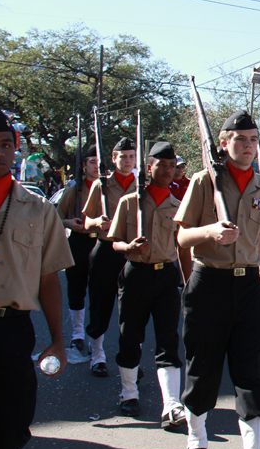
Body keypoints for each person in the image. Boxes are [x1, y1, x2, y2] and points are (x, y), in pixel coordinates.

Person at [174, 109, 260, 449]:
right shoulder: (204, 181)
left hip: (249, 288)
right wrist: (209, 231)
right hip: (209, 282)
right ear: (223, 143)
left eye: (254, 140)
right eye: (240, 140)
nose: (248, 146)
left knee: (250, 373)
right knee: (202, 368)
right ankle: (197, 442)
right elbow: (182, 237)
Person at [0, 104, 74, 449]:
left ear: (15, 149)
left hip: (13, 330)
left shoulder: (38, 209)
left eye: (4, 145)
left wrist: (58, 339)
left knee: (13, 426)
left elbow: (48, 278)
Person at [108, 142, 191, 425]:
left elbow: (183, 250)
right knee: (130, 334)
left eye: (172, 167)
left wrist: (189, 282)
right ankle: (128, 392)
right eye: (162, 166)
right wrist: (128, 246)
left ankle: (171, 404)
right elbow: (114, 241)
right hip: (136, 274)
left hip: (167, 276)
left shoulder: (178, 207)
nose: (168, 171)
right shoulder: (130, 202)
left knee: (168, 338)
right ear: (149, 168)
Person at [81, 138, 137, 377]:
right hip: (106, 249)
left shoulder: (140, 185)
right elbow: (86, 221)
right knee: (101, 303)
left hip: (131, 252)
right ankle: (97, 354)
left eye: (131, 156)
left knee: (133, 309)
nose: (127, 161)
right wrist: (97, 222)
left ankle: (130, 360)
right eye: (122, 156)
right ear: (113, 159)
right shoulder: (101, 185)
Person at [55, 144, 99, 351]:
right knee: (76, 289)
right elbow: (58, 216)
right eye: (92, 162)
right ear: (84, 165)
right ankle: (77, 333)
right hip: (79, 242)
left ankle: (96, 339)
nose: (96, 166)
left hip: (100, 242)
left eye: (100, 162)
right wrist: (68, 223)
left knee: (100, 293)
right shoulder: (74, 190)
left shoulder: (107, 189)